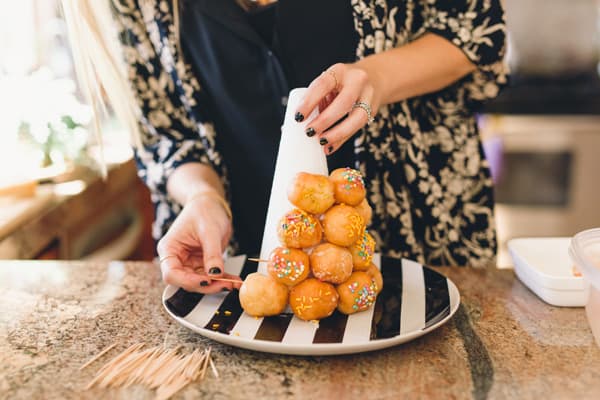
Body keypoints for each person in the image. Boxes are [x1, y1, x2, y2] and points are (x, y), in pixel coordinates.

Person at [62, 0, 507, 294]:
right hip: (239, 273)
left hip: (423, 243)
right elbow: (166, 135)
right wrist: (202, 196)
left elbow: (474, 30)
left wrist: (379, 76)